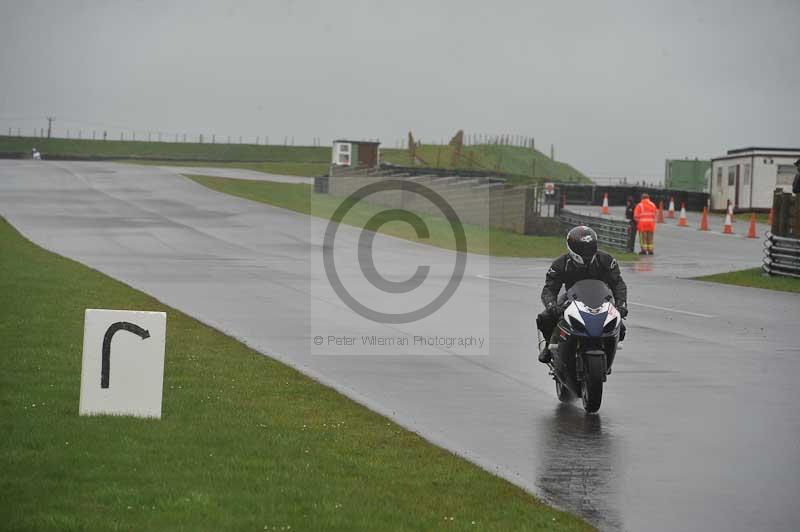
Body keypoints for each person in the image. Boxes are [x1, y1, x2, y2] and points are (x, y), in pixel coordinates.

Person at [537, 226, 628, 363]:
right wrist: (552, 306)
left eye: (590, 247)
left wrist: (621, 304)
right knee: (544, 318)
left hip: (601, 299)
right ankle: (549, 348)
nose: (587, 252)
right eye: (583, 249)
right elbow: (549, 289)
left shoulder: (606, 260)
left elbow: (618, 284)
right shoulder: (560, 264)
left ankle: (608, 350)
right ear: (572, 249)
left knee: (619, 326)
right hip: (571, 299)